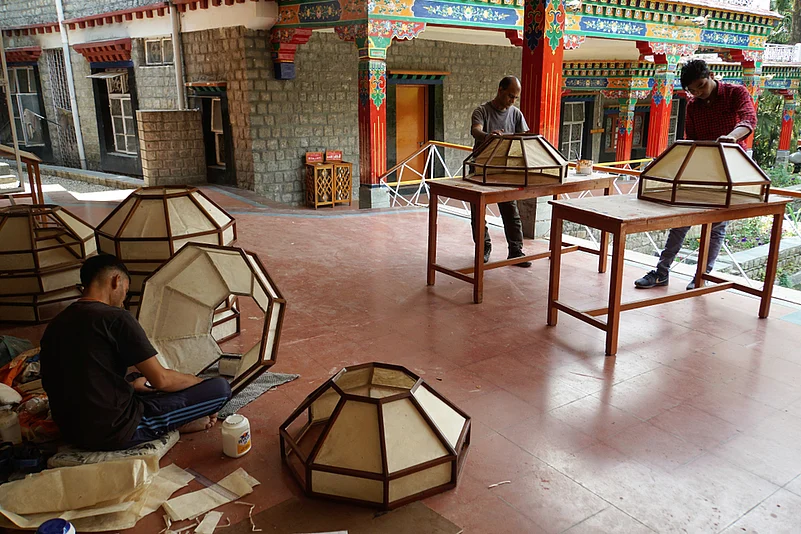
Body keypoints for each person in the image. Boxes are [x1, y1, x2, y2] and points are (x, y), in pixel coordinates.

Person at [40, 254, 232, 451]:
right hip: (112, 431)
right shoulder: (116, 317)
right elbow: (162, 380)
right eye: (125, 291)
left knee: (137, 379)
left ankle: (164, 410)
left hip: (70, 429)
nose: (123, 299)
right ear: (116, 280)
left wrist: (131, 386)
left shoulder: (56, 323)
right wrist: (198, 382)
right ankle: (171, 423)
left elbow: (78, 375)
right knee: (220, 389)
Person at [634, 59, 757, 290]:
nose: (699, 92)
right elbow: (691, 140)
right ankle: (661, 272)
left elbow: (749, 119)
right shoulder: (693, 106)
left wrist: (731, 137)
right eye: (693, 90)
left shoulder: (735, 93)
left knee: (716, 226)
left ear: (711, 76)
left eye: (701, 86)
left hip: (729, 169)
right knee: (682, 220)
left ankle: (702, 276)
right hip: (702, 168)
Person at [470, 75, 532, 267]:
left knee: (511, 211)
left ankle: (515, 250)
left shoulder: (516, 114)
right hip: (481, 168)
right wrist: (488, 136)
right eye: (510, 96)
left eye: (515, 98)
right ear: (500, 90)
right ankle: (483, 249)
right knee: (479, 212)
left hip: (505, 169)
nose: (512, 100)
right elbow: (475, 130)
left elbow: (523, 138)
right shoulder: (482, 111)